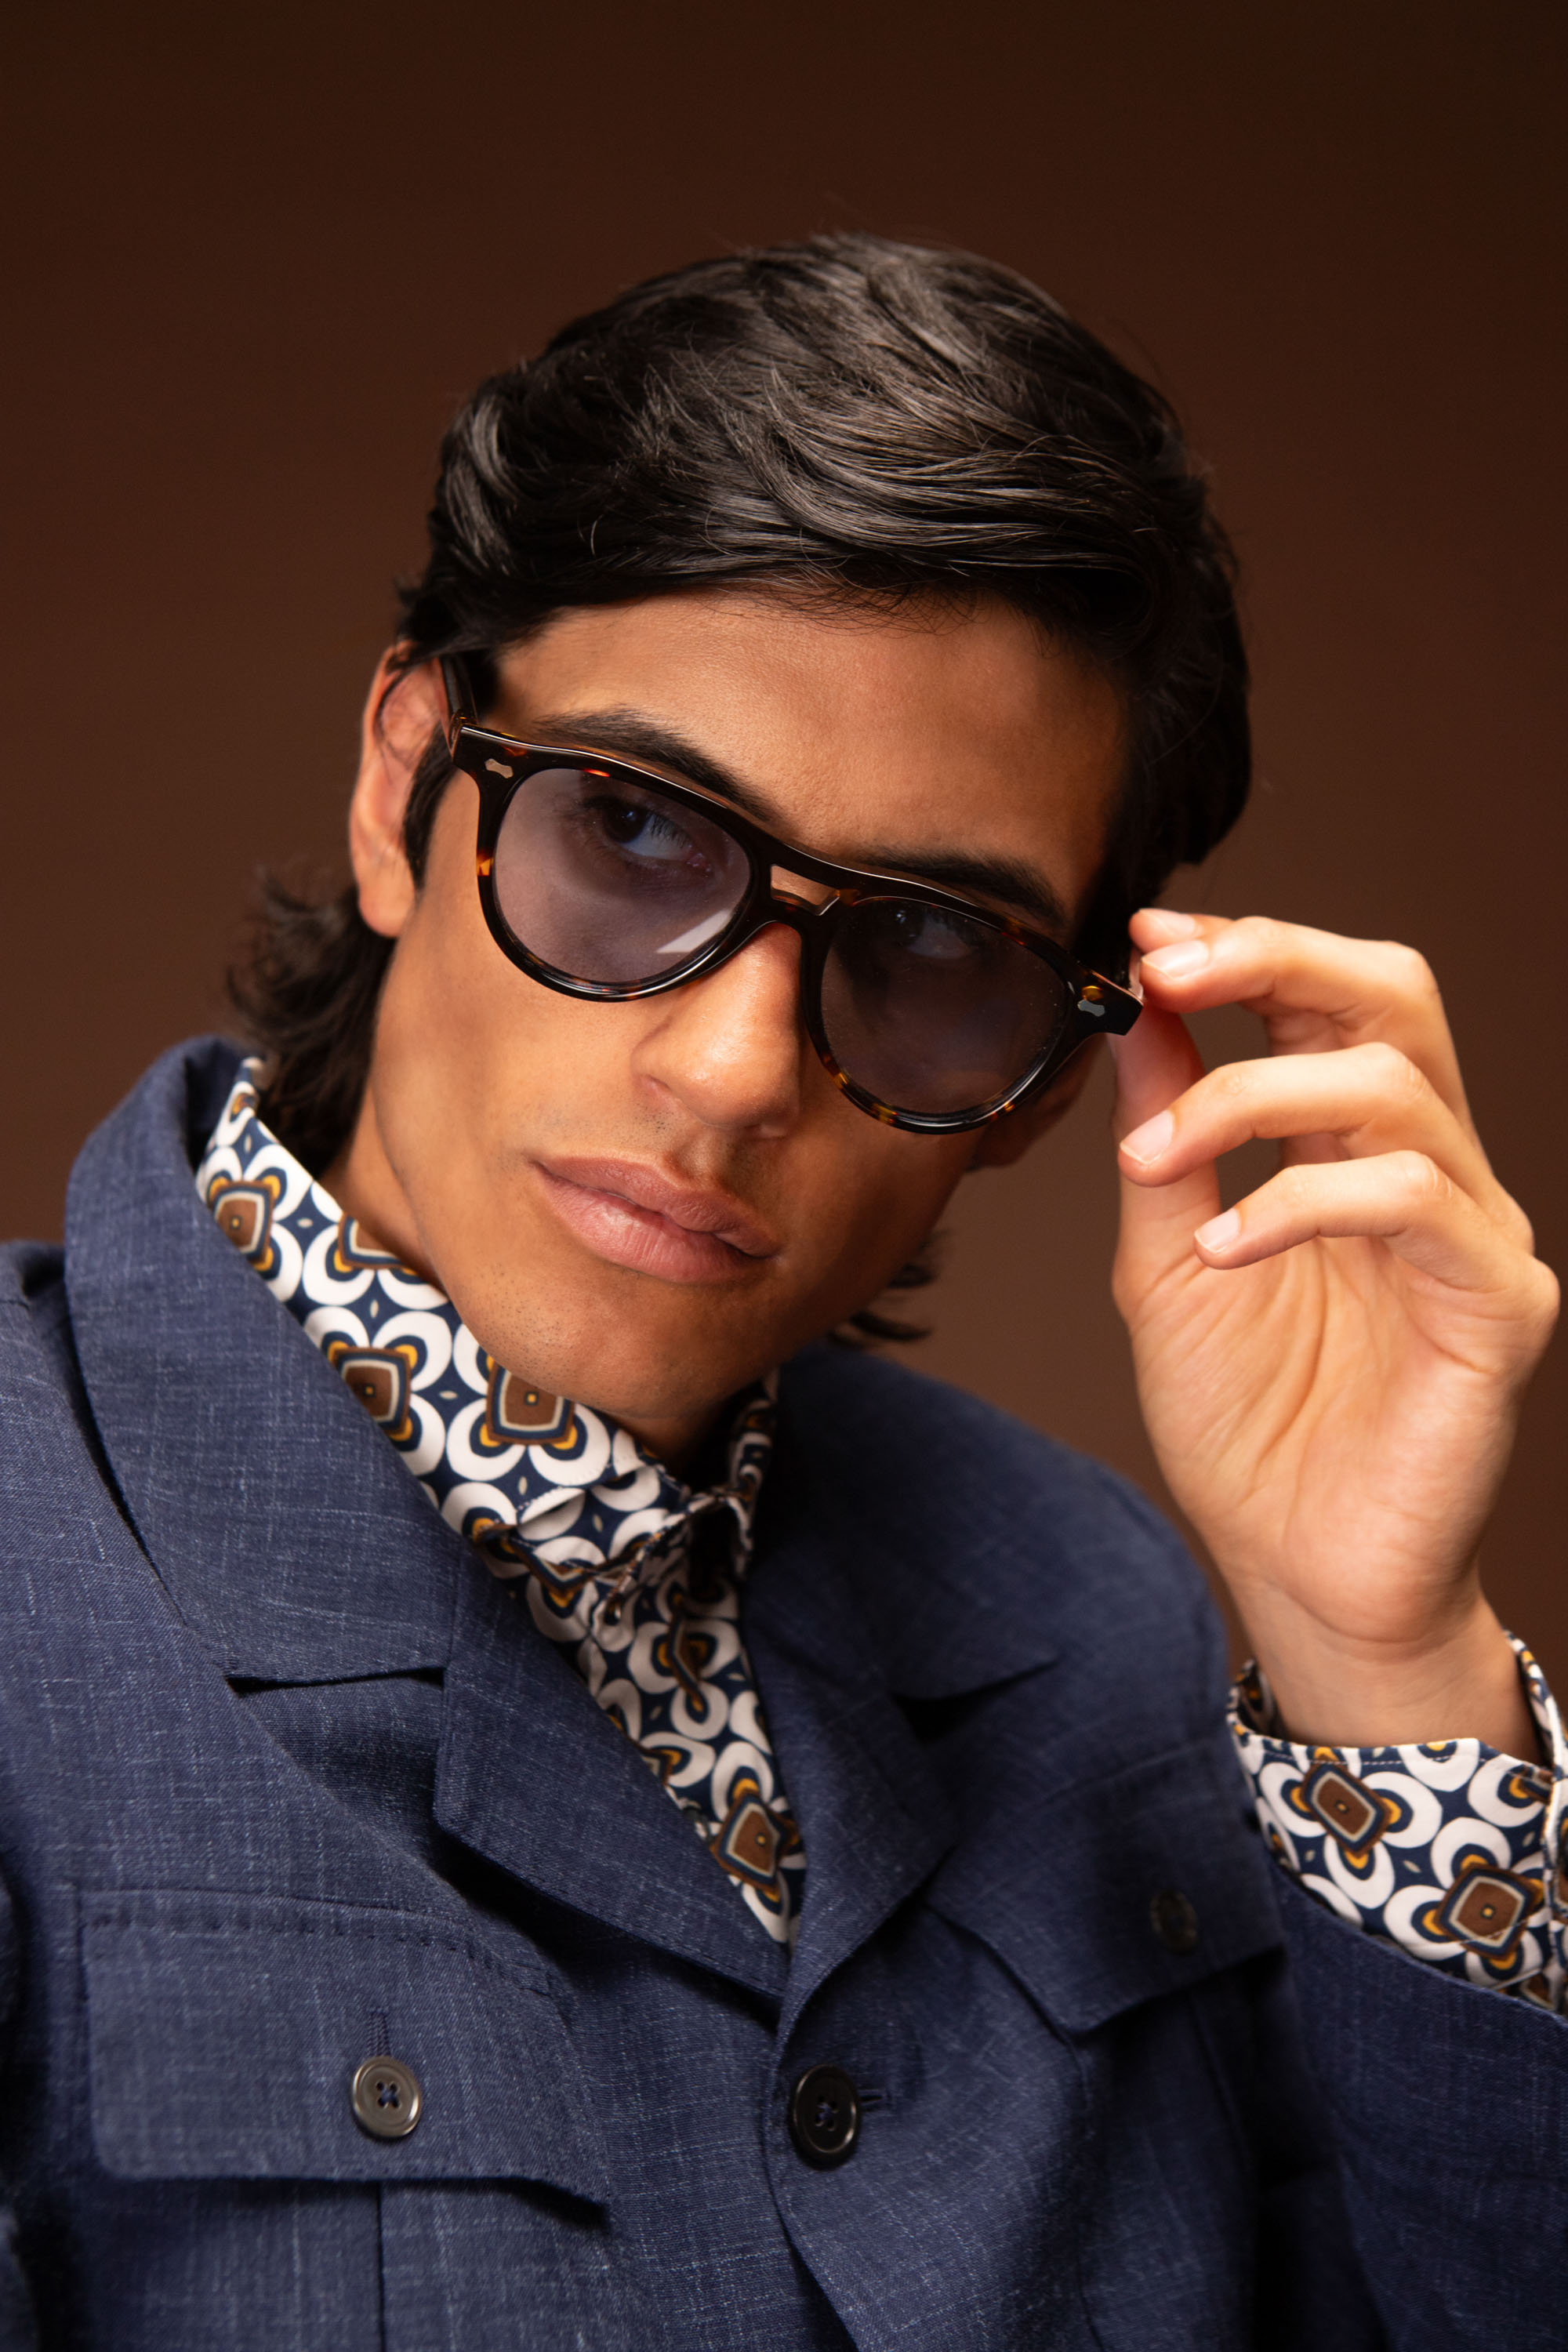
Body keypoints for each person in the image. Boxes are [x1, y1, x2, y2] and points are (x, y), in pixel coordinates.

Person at [0, 233, 1556, 2352]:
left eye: (929, 951)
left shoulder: (1101, 1616)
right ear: (401, 785)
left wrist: (1390, 1668)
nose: (736, 1073)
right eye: (635, 832)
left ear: (1051, 1079)